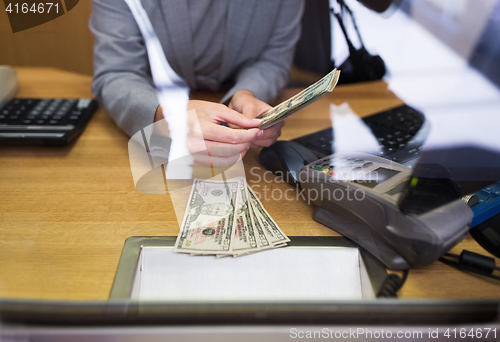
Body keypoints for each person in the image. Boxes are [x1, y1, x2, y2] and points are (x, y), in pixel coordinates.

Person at [90, 0, 304, 162]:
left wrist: (247, 93)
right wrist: (167, 117)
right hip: (151, 130)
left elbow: (274, 58)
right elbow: (117, 72)